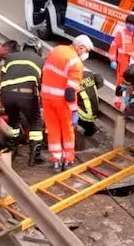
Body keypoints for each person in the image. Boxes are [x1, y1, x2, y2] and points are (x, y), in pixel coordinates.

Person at [41, 35, 92, 173]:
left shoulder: (56, 50)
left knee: (53, 130)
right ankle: (68, 159)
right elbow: (70, 92)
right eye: (86, 51)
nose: (86, 54)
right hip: (62, 101)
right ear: (80, 48)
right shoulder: (76, 63)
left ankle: (56, 160)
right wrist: (74, 111)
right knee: (67, 131)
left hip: (46, 97)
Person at [0, 39, 45, 166]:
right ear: (38, 50)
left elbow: (3, 76)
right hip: (27, 95)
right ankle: (34, 157)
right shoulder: (41, 61)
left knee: (14, 121)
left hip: (6, 95)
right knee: (35, 123)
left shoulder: (10, 58)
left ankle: (12, 148)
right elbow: (42, 84)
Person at [108, 14, 134, 94]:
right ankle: (117, 98)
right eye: (128, 23)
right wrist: (113, 60)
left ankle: (128, 97)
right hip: (123, 60)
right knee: (121, 79)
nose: (130, 26)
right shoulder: (121, 33)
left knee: (131, 81)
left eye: (132, 24)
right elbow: (113, 46)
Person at [77, 72, 104, 137]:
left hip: (84, 114)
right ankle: (90, 127)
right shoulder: (89, 74)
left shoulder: (72, 81)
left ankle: (89, 128)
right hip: (95, 111)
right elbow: (99, 79)